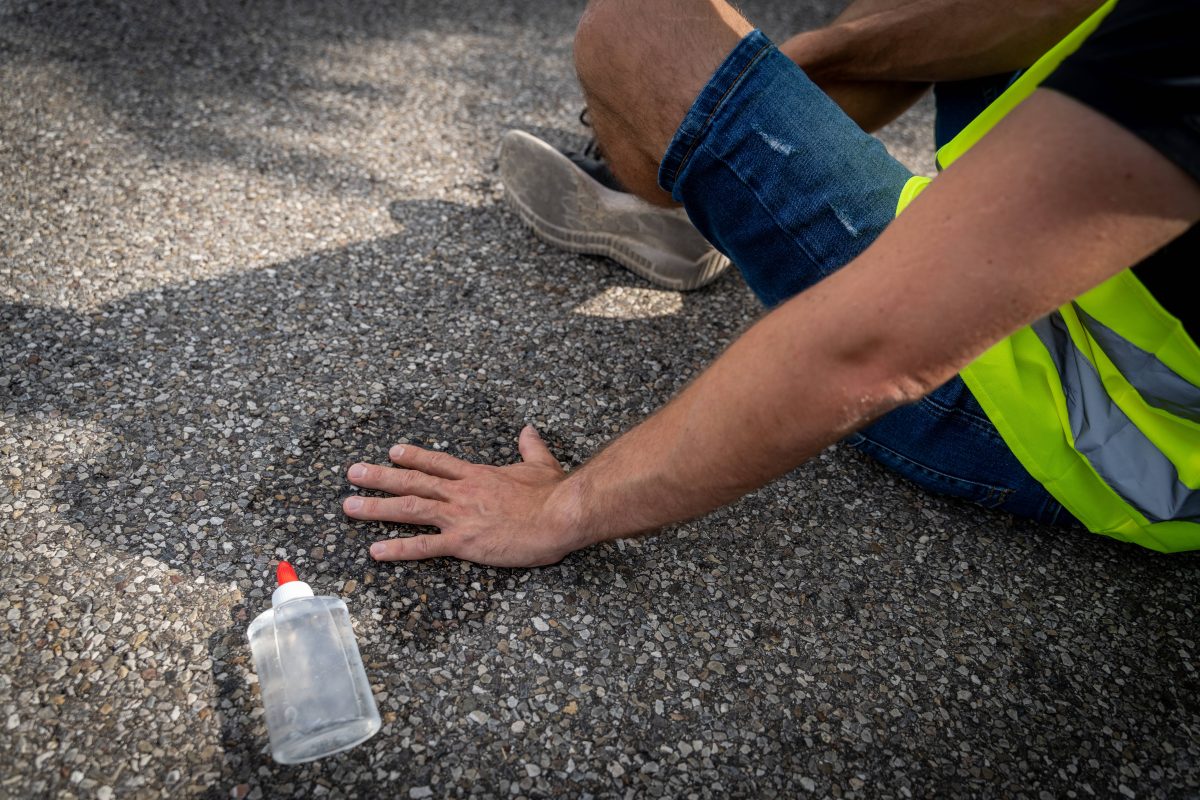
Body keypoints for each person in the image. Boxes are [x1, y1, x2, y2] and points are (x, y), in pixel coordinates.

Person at [342, 0, 1200, 566]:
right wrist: (827, 53)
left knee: (637, 31)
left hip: (1066, 413)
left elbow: (871, 347)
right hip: (1050, 277)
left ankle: (671, 200)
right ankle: (709, 177)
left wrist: (566, 507)